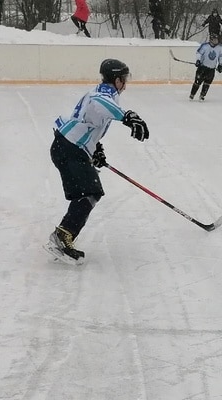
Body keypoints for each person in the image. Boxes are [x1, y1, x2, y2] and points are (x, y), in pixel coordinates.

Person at [46, 58, 149, 262]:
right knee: (90, 191)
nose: (125, 85)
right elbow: (99, 104)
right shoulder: (102, 95)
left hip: (69, 147)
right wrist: (127, 116)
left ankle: (63, 235)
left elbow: (90, 121)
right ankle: (62, 236)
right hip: (69, 148)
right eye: (124, 80)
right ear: (117, 80)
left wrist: (95, 149)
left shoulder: (102, 93)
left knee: (89, 192)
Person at [190, 33, 222, 100]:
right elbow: (198, 53)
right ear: (211, 40)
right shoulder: (205, 46)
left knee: (207, 83)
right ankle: (192, 94)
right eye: (214, 39)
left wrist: (220, 64)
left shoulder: (220, 47)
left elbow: (221, 56)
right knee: (197, 82)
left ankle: (202, 95)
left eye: (217, 39)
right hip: (202, 68)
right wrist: (198, 60)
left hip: (211, 69)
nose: (216, 41)